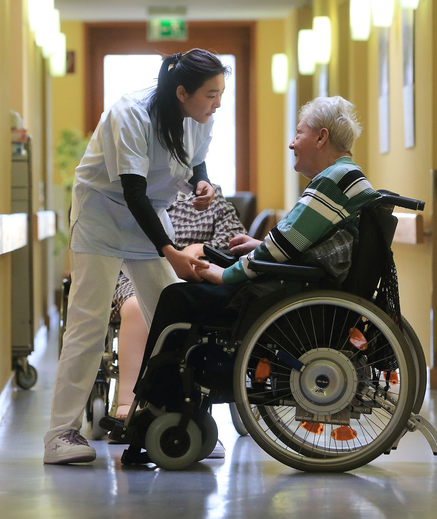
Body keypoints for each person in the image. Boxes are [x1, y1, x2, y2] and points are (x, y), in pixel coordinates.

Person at [44, 49, 231, 465]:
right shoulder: (131, 113)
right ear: (182, 93)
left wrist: (202, 184)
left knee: (176, 320)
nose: (218, 103)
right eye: (211, 94)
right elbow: (133, 191)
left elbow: (196, 159)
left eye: (221, 93)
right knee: (89, 323)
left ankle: (181, 419)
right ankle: (60, 434)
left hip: (151, 215)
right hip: (102, 218)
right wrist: (171, 251)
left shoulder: (200, 116)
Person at [135, 96, 379, 390]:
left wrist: (226, 274)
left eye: (299, 133)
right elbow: (300, 242)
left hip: (293, 298)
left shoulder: (333, 180)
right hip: (307, 290)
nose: (291, 144)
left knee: (177, 296)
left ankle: (162, 395)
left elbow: (284, 246)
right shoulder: (348, 178)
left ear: (321, 137)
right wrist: (259, 245)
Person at [111, 185, 246, 420]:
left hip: (196, 272)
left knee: (194, 307)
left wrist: (201, 248)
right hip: (139, 269)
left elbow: (236, 238)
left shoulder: (209, 196)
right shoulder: (140, 196)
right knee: (135, 307)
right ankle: (128, 400)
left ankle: (182, 396)